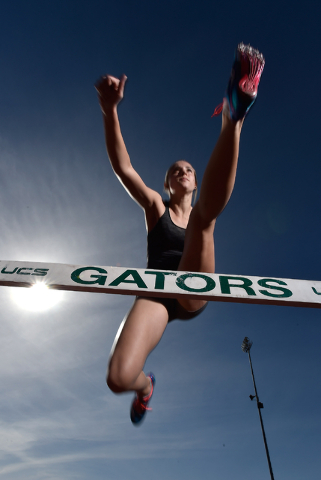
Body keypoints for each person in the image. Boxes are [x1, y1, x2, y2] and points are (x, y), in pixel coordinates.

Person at [95, 43, 265, 425]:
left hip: (191, 289)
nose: (183, 170)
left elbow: (206, 210)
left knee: (204, 221)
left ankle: (234, 117)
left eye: (189, 169)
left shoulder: (205, 207)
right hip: (157, 291)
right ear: (169, 183)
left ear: (196, 182)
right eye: (175, 169)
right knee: (118, 377)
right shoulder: (156, 206)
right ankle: (145, 387)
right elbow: (124, 169)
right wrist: (110, 111)